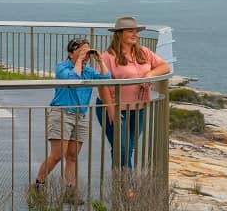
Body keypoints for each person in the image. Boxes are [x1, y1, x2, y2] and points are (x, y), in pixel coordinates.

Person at [32, 37, 110, 201]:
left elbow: (106, 79)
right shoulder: (62, 67)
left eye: (87, 51)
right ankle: (38, 185)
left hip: (80, 116)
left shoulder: (88, 71)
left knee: (73, 156)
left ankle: (70, 192)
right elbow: (73, 81)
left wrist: (100, 60)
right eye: (81, 51)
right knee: (57, 155)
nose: (85, 54)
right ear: (71, 52)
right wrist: (80, 61)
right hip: (62, 113)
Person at [96, 16, 171, 170]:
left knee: (128, 148)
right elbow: (102, 85)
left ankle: (120, 183)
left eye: (136, 31)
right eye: (131, 31)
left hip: (138, 109)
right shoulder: (108, 57)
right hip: (114, 108)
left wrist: (149, 75)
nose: (135, 34)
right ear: (119, 34)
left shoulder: (143, 52)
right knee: (122, 148)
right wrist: (111, 110)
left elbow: (165, 67)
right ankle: (127, 187)